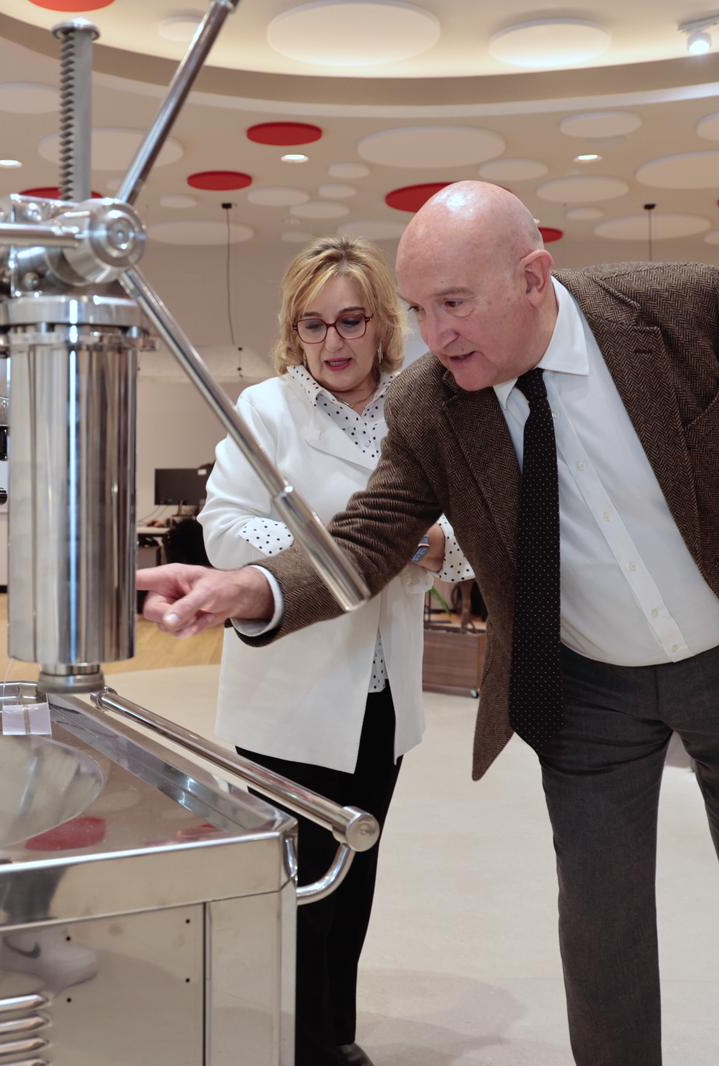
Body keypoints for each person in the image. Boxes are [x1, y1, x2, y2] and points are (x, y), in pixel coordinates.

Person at [136, 181, 719, 1066]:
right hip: (586, 687)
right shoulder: (430, 404)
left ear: (533, 277)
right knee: (601, 922)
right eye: (419, 310)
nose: (436, 335)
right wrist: (250, 588)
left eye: (455, 304)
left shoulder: (680, 310)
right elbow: (368, 537)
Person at [200, 236, 471, 1066]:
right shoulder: (267, 410)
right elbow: (223, 529)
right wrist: (333, 550)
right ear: (294, 331)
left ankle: (336, 1037)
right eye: (313, 325)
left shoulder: (420, 408)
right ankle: (301, 1046)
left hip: (382, 690)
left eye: (351, 320)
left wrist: (419, 545)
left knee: (355, 872)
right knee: (300, 886)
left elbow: (461, 541)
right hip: (292, 690)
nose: (333, 342)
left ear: (382, 323)